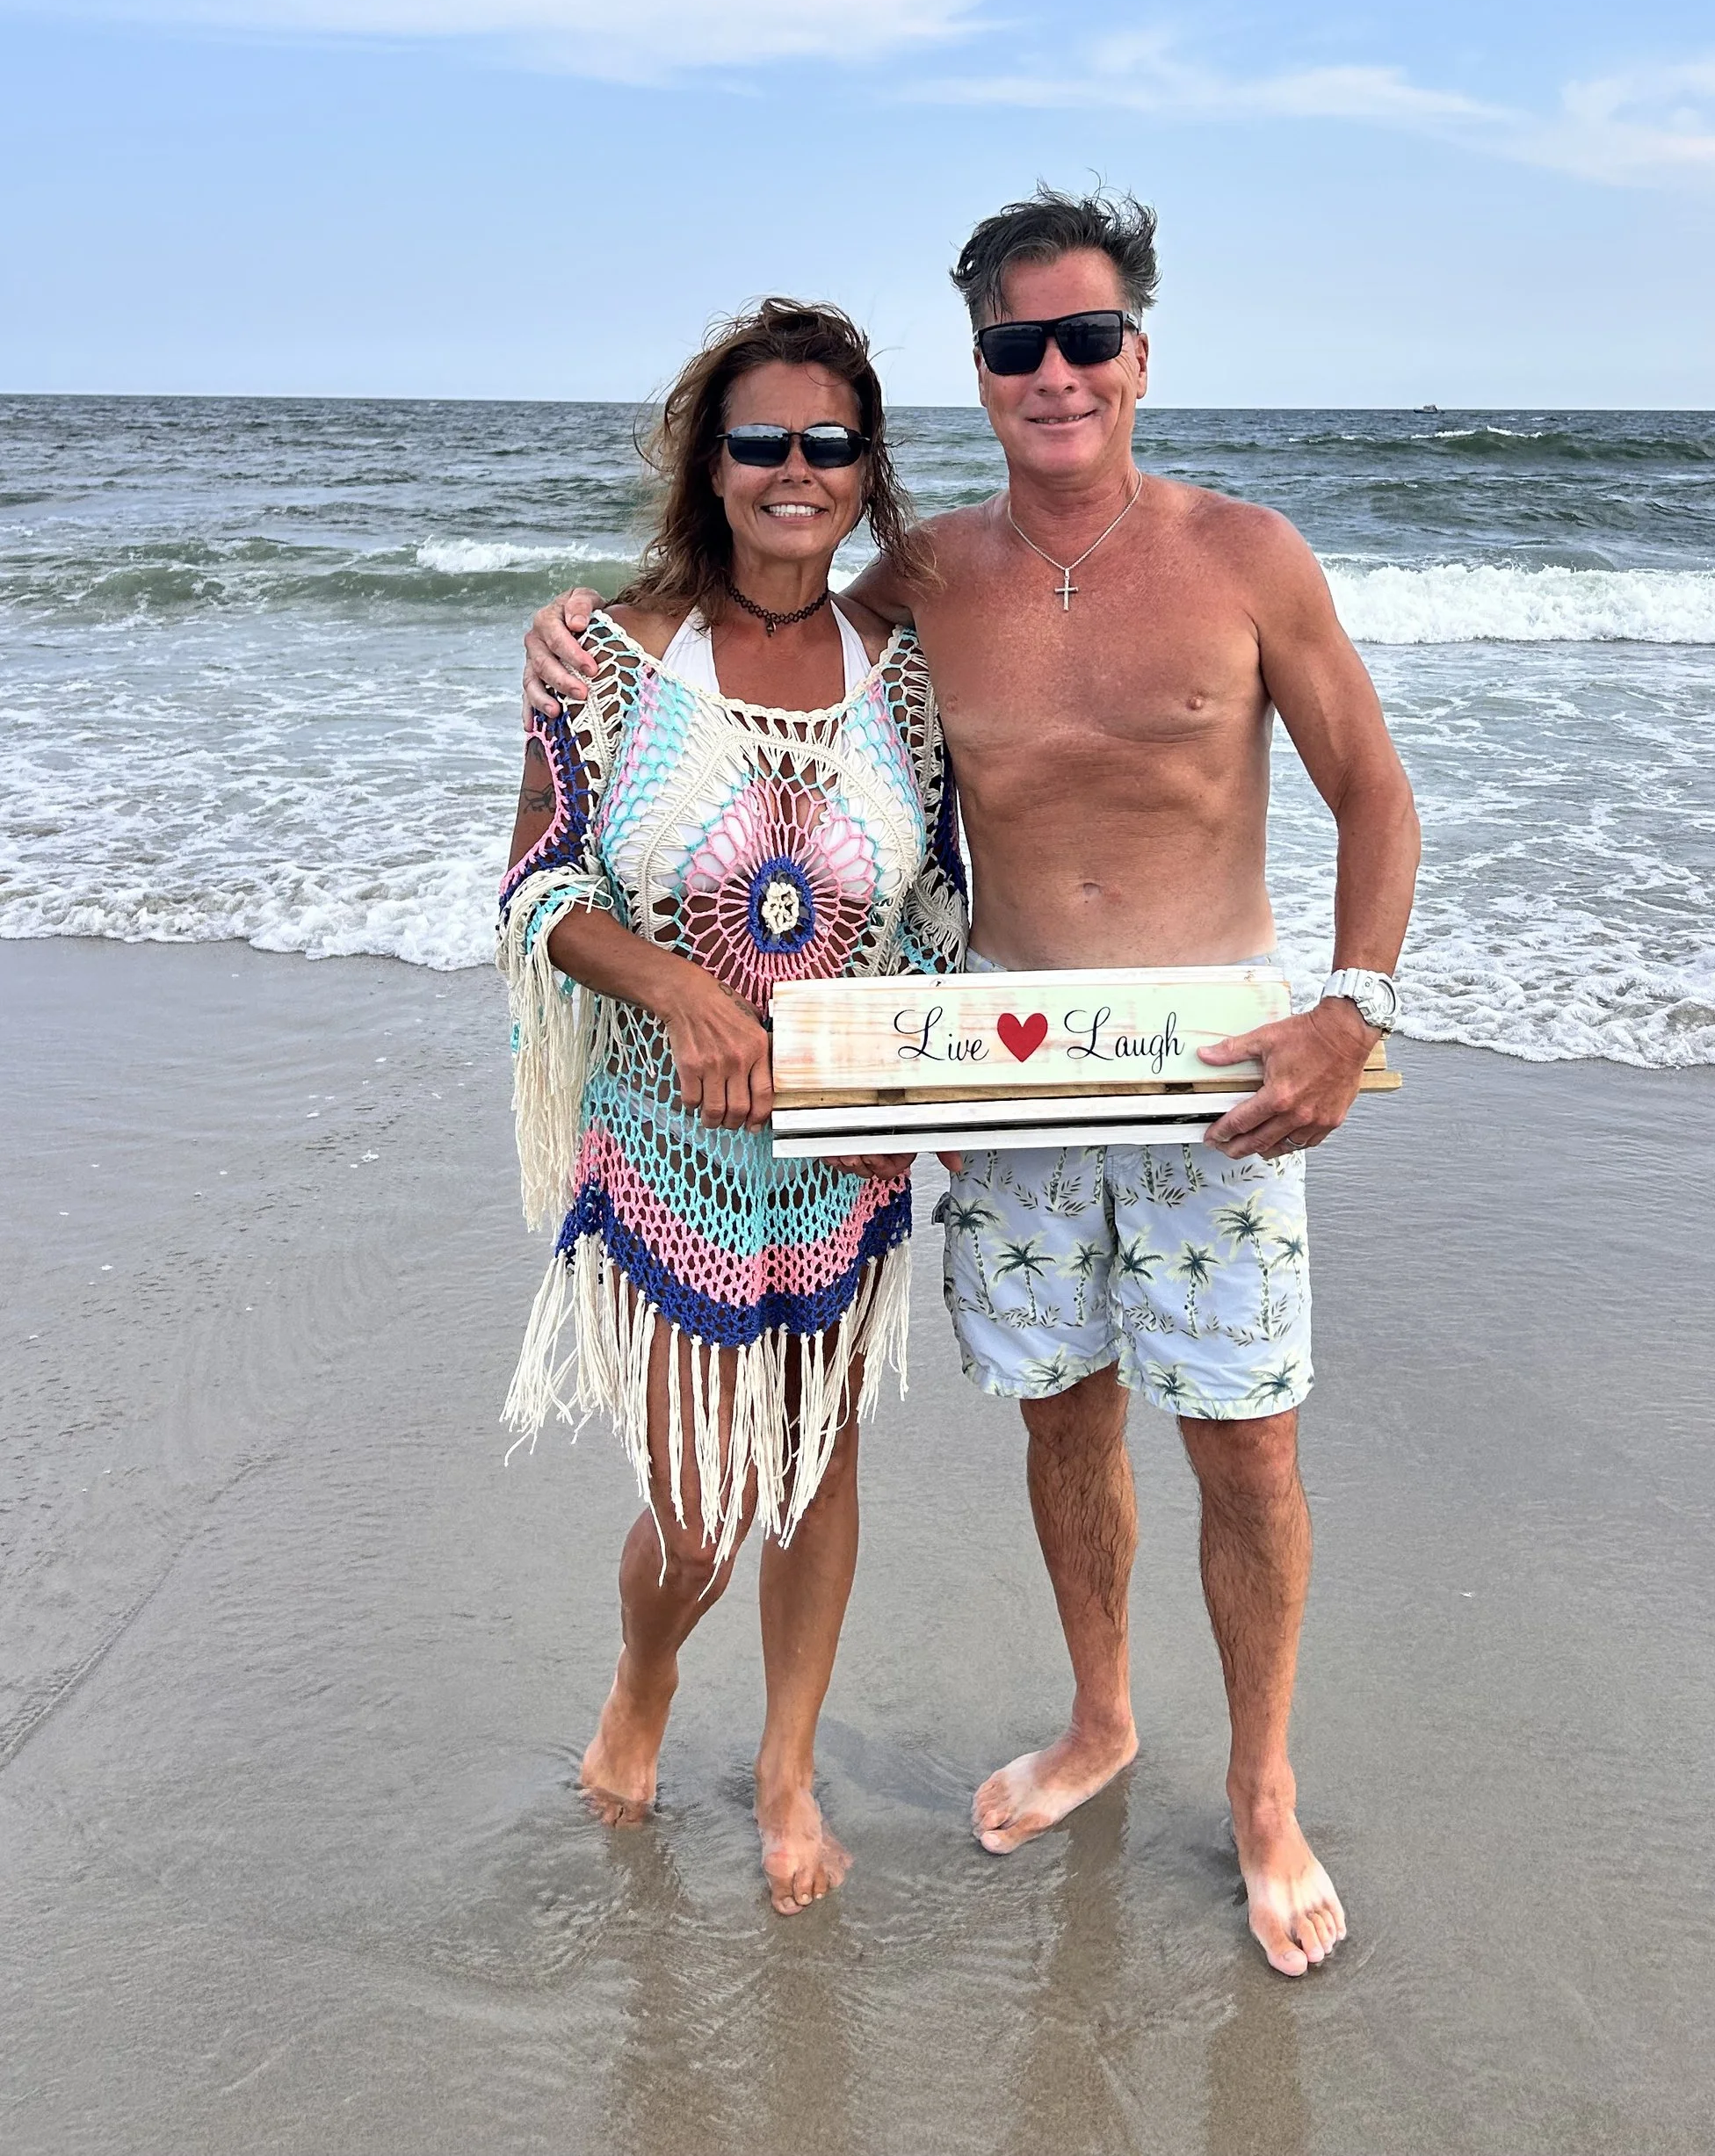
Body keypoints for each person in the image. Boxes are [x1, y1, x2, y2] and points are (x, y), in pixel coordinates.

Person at [525, 192, 1421, 1976]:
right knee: (1060, 1414)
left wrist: (1351, 1006)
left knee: (1246, 1442)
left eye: (1086, 337)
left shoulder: (1248, 556)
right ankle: (1100, 1719)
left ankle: (1259, 1788)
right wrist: (568, 633)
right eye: (1016, 345)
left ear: (1139, 356)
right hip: (997, 1063)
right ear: (981, 373)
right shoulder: (920, 590)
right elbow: (748, 637)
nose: (1055, 373)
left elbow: (1374, 795)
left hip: (1210, 1065)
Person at [500, 297, 966, 1915]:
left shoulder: (899, 677)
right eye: (759, 441)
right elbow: (541, 890)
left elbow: (937, 909)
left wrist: (955, 1072)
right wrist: (683, 989)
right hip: (672, 1148)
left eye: (827, 444)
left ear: (866, 471)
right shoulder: (607, 659)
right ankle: (645, 1675)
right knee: (703, 1501)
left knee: (821, 1462)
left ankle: (787, 1767)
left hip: (845, 1148)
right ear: (710, 466)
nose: (793, 470)